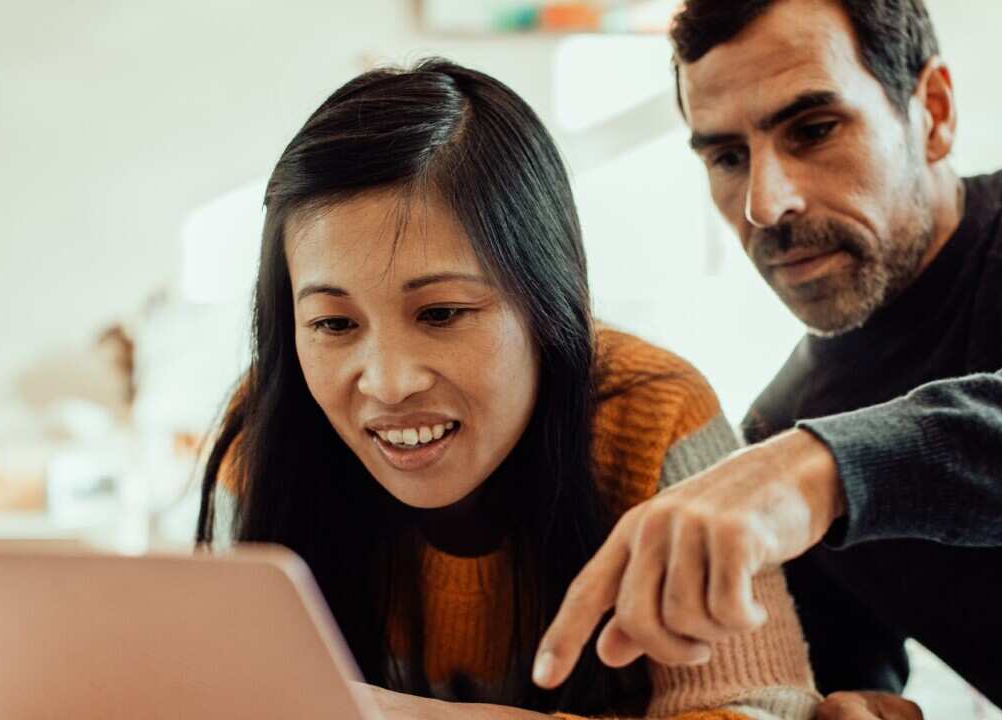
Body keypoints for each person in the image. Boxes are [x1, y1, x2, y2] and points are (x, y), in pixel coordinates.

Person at [533, 1, 1002, 717]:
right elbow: (844, 676)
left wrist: (827, 471)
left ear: (933, 109)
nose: (764, 205)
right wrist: (847, 704)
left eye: (813, 129)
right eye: (728, 158)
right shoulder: (783, 429)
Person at [194, 59, 823, 719]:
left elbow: (760, 709)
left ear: (547, 303)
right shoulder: (271, 426)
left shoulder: (654, 412)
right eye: (334, 323)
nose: (387, 381)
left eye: (440, 313)